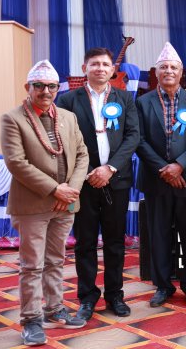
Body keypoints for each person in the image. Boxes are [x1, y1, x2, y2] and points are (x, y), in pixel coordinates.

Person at [0, 60, 89, 346]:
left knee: (56, 260)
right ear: (28, 87)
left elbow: (83, 154)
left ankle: (54, 309)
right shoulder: (12, 118)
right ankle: (31, 319)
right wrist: (55, 190)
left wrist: (71, 190)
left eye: (51, 86)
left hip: (66, 203)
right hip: (33, 205)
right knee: (32, 265)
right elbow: (16, 163)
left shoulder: (68, 117)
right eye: (39, 85)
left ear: (57, 88)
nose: (45, 91)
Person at [58, 48, 140, 321]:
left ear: (112, 70)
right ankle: (87, 297)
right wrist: (87, 172)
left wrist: (110, 168)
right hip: (82, 183)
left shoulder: (124, 98)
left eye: (105, 64)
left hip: (116, 180)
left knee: (115, 242)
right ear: (85, 68)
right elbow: (64, 140)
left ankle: (115, 295)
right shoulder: (68, 99)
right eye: (95, 64)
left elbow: (132, 136)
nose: (101, 68)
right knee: (85, 243)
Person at [135, 43, 186, 308]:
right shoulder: (142, 103)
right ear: (156, 72)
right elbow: (139, 140)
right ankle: (163, 285)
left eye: (173, 67)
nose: (168, 71)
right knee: (159, 235)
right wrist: (164, 169)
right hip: (156, 180)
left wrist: (180, 166)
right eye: (163, 67)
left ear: (181, 71)